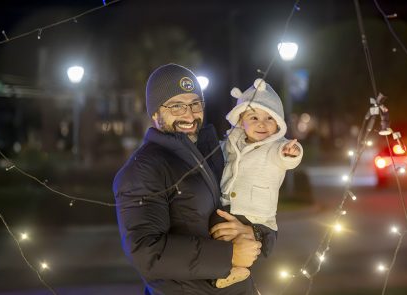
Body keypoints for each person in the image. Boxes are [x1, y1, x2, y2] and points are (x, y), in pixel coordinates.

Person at [113, 64, 276, 294]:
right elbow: (145, 252)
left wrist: (256, 234)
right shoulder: (143, 169)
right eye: (176, 106)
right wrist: (228, 255)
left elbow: (260, 205)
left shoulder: (215, 153)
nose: (189, 115)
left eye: (195, 103)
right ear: (155, 113)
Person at [210, 78, 303, 288]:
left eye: (269, 118)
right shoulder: (231, 143)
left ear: (278, 123)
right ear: (240, 120)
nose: (262, 124)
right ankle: (232, 269)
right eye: (253, 117)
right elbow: (216, 156)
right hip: (228, 207)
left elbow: (286, 158)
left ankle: (235, 270)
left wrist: (291, 153)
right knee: (218, 234)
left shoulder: (275, 147)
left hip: (257, 216)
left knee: (236, 241)